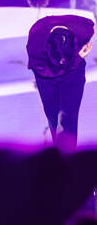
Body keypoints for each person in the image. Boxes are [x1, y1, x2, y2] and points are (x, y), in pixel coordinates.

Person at [26, 14, 94, 149]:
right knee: (52, 115)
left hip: (74, 70)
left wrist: (75, 58)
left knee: (68, 115)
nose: (62, 62)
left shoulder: (84, 29)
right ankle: (57, 151)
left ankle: (67, 154)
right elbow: (46, 71)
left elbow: (91, 24)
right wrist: (76, 59)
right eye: (60, 60)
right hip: (46, 74)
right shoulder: (36, 46)